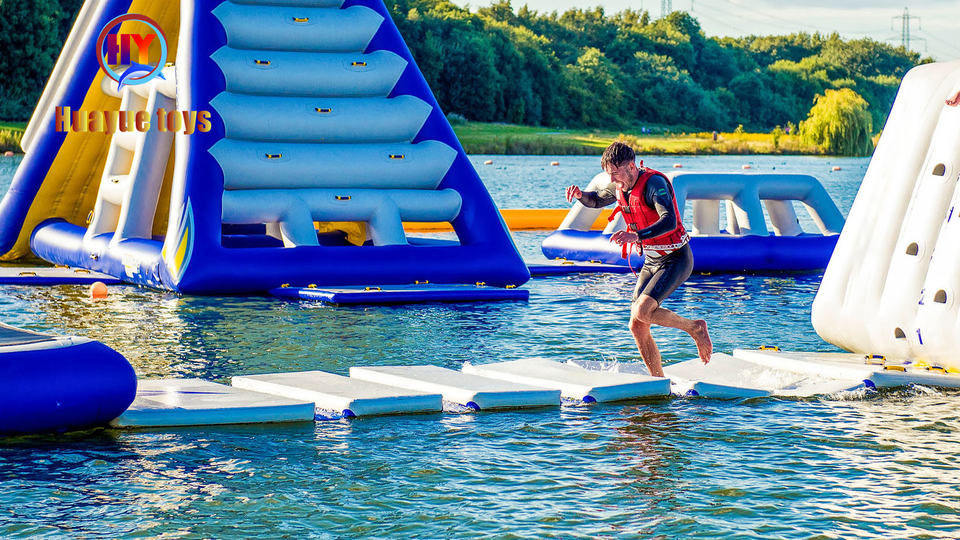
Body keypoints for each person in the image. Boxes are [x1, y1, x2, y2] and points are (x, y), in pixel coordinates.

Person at [565, 141, 712, 377]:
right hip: (652, 261)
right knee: (636, 324)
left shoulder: (654, 184)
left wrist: (636, 235)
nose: (612, 179)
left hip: (675, 257)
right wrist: (581, 195)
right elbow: (597, 199)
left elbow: (669, 220)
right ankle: (658, 379)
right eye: (609, 174)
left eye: (615, 173)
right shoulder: (619, 185)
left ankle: (695, 328)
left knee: (643, 310)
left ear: (631, 167)